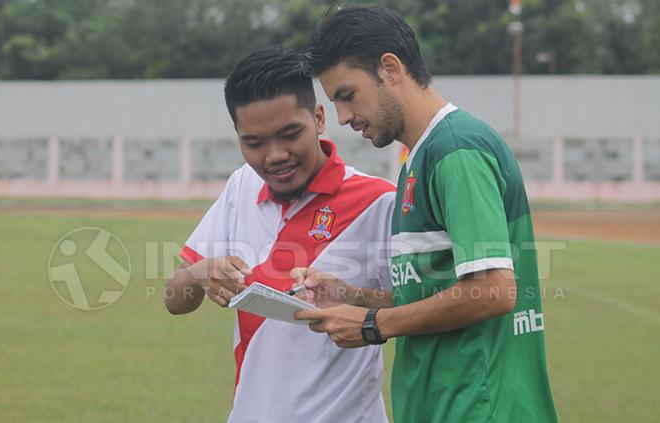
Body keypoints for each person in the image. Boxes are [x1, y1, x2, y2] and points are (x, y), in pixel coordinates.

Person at [293, 6, 559, 423]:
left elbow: (493, 290)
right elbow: (431, 296)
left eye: (347, 95)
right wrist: (350, 296)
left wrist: (372, 325)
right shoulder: (420, 160)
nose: (343, 117)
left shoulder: (456, 150)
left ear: (390, 68)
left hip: (480, 408)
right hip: (443, 406)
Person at [163, 46, 395, 423]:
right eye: (254, 143)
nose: (274, 156)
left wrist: (353, 298)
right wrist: (198, 273)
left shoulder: (378, 201)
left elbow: (419, 306)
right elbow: (174, 299)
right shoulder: (241, 186)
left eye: (290, 135)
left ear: (319, 118)